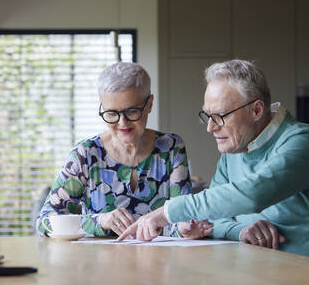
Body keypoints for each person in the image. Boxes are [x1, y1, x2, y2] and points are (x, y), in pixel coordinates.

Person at [119, 59, 309, 266]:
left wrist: (166, 213)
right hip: (273, 270)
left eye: (220, 116)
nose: (210, 127)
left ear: (256, 110)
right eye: (207, 115)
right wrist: (242, 230)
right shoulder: (233, 152)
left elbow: (251, 195)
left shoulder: (302, 141)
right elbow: (211, 219)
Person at [37, 62, 201, 238]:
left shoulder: (171, 148)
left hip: (158, 259)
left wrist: (184, 229)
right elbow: (45, 222)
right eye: (112, 113)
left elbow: (179, 217)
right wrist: (100, 221)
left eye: (132, 111)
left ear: (149, 104)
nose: (122, 123)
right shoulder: (86, 155)